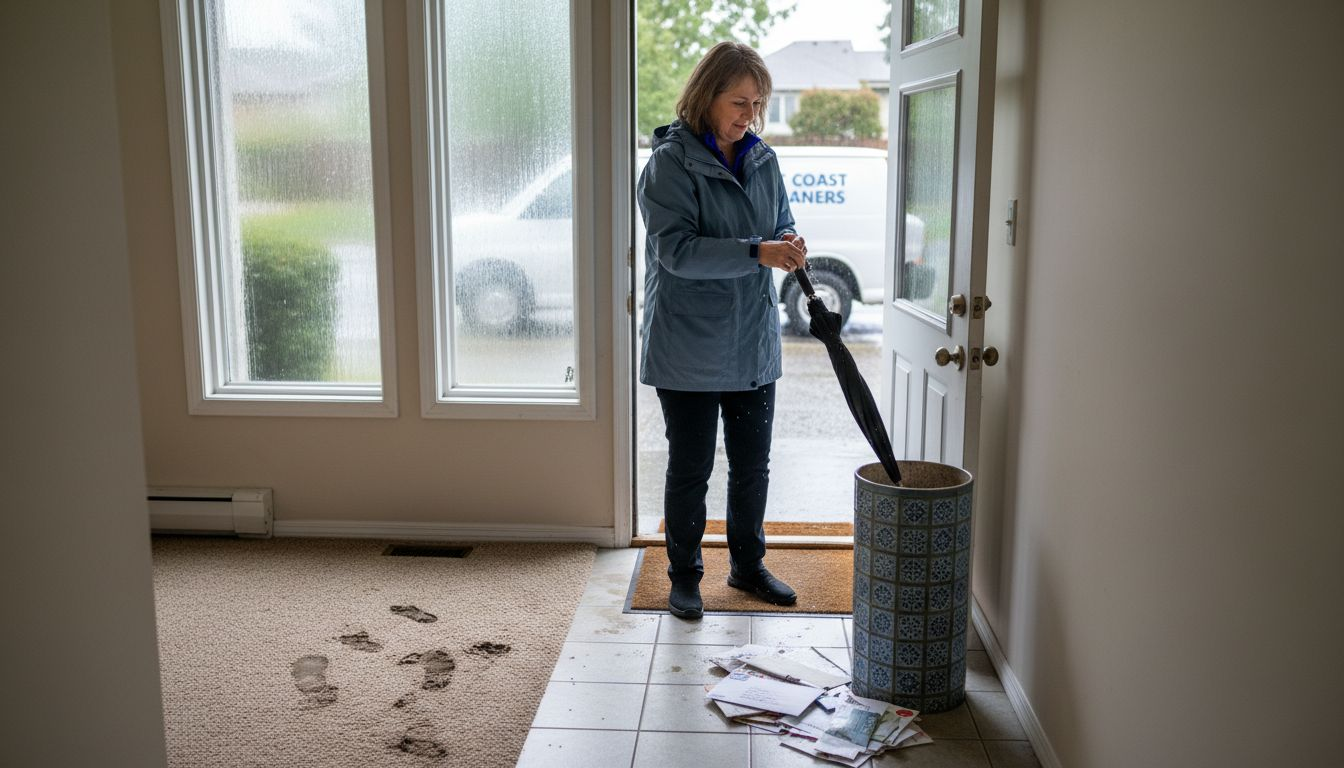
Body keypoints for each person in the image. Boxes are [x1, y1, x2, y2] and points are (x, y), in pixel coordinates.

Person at [638, 41, 808, 620]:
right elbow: (677, 253)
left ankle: (747, 567)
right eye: (739, 102)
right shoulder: (669, 164)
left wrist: (788, 241)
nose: (749, 115)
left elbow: (781, 221)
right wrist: (758, 251)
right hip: (688, 345)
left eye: (757, 104)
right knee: (691, 469)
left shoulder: (763, 158)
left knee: (752, 465)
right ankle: (684, 577)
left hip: (753, 341)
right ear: (706, 96)